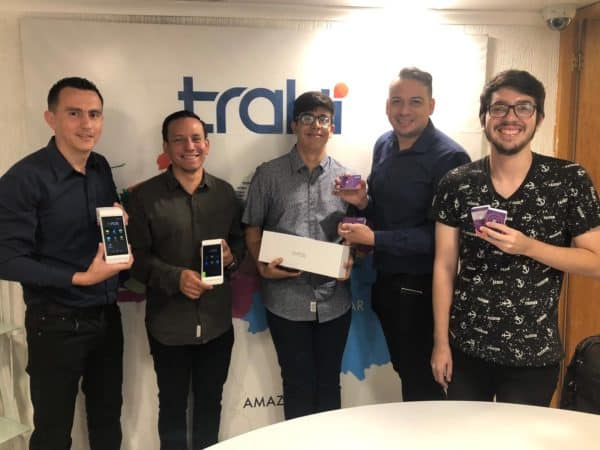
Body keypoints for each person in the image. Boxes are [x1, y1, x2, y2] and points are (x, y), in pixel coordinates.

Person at [431, 69, 600, 406]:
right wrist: (440, 343)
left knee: (520, 435)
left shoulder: (568, 180)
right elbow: (444, 266)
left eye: (524, 107)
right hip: (466, 350)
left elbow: (596, 262)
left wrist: (528, 246)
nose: (510, 118)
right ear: (484, 118)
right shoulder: (457, 182)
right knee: (463, 432)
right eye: (499, 108)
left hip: (533, 355)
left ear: (539, 118)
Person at [0, 77, 133, 450]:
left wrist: (118, 224)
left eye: (94, 114)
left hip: (106, 316)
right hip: (55, 323)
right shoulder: (24, 178)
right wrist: (80, 277)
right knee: (53, 432)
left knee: (107, 421)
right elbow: (7, 260)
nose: (87, 124)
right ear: (51, 118)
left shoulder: (100, 167)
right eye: (74, 114)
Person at [336, 67, 470, 401]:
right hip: (387, 283)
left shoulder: (450, 157)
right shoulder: (384, 143)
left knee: (425, 383)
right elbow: (380, 210)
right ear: (387, 105)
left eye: (415, 102)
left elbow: (447, 236)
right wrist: (362, 202)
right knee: (407, 373)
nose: (404, 110)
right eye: (397, 101)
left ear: (431, 105)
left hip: (424, 290)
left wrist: (376, 239)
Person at [127, 110, 244, 449]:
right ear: (166, 147)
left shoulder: (225, 194)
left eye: (196, 139)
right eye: (179, 140)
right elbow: (135, 259)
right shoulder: (144, 197)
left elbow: (239, 246)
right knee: (172, 409)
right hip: (169, 326)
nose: (189, 146)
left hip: (217, 324)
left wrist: (231, 258)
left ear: (207, 144)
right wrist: (175, 278)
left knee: (210, 406)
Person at [243, 91, 352, 420]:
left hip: (334, 301)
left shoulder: (347, 179)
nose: (315, 125)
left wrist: (352, 257)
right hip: (286, 300)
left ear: (332, 127)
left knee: (329, 385)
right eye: (307, 118)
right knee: (296, 385)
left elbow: (354, 234)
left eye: (323, 119)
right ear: (294, 125)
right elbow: (253, 228)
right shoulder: (268, 174)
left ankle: (328, 443)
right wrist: (263, 267)